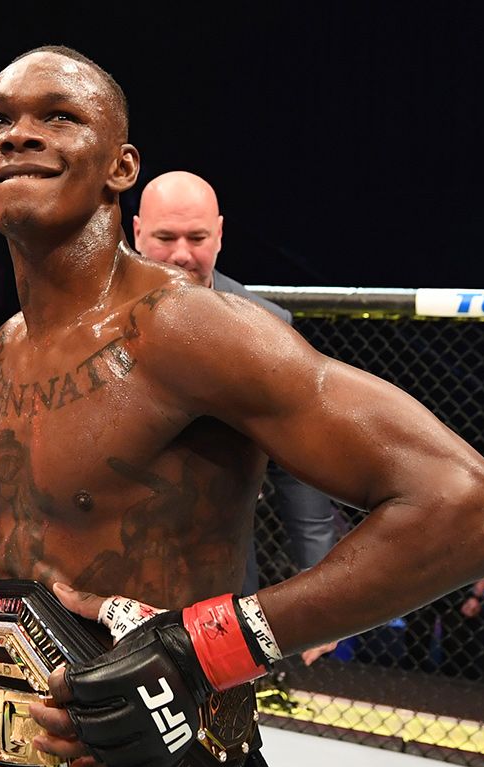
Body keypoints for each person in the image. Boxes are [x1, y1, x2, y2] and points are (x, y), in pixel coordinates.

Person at [0, 45, 484, 767]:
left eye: (58, 116)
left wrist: (201, 650)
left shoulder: (189, 329)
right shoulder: (6, 349)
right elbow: (53, 534)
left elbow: (474, 510)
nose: (19, 136)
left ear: (121, 168)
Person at [133, 170, 342, 603]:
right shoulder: (92, 320)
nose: (181, 255)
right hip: (110, 550)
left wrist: (319, 578)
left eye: (197, 238)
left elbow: (296, 463)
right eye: (165, 237)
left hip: (222, 562)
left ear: (220, 235)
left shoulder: (264, 327)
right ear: (137, 233)